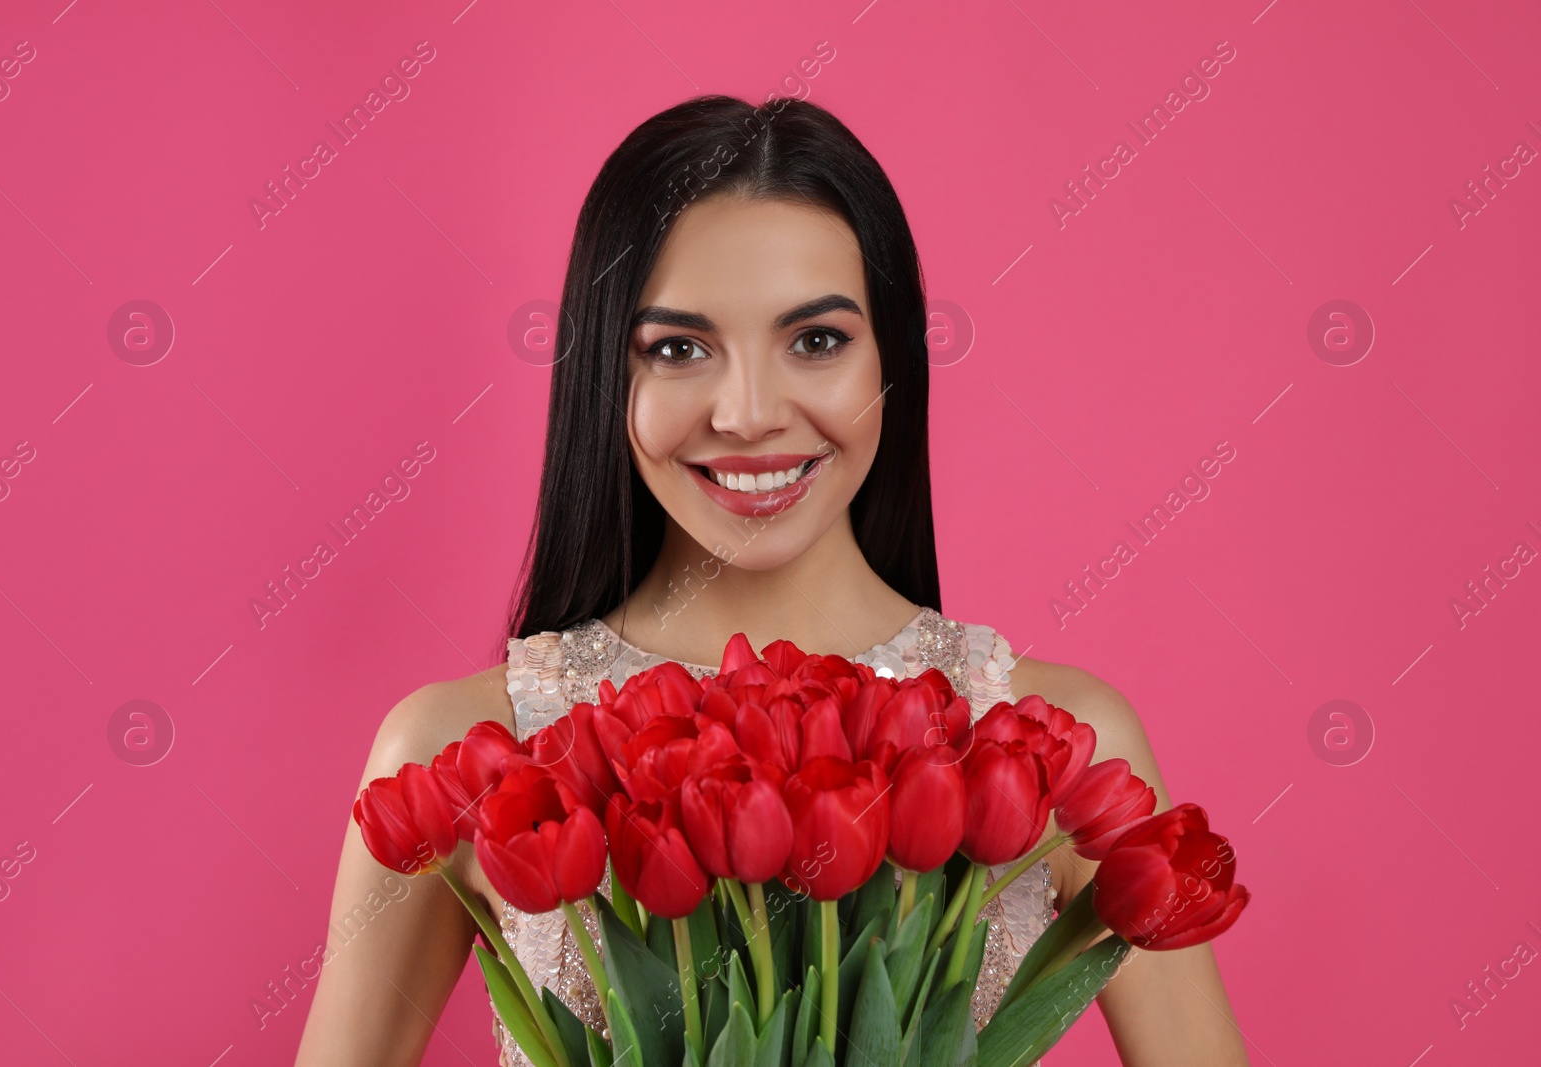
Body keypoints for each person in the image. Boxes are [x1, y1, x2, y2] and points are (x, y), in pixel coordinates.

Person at [296, 94, 1249, 1067]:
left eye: (817, 340)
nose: (748, 412)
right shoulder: (467, 755)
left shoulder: (1048, 745)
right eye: (677, 348)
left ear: (894, 361)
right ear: (604, 379)